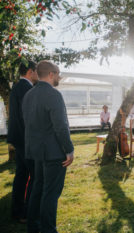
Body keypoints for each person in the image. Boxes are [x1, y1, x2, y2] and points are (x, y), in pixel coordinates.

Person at [22, 60, 74, 233]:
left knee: (37, 189)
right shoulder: (53, 94)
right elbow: (60, 126)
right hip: (53, 152)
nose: (59, 77)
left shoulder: (28, 94)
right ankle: (48, 230)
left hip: (35, 151)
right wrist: (69, 150)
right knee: (50, 193)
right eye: (58, 73)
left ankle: (33, 227)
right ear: (51, 74)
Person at [7, 60, 38, 223]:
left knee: (21, 175)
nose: (38, 74)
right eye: (36, 71)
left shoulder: (17, 87)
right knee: (34, 176)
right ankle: (27, 212)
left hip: (17, 138)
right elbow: (28, 118)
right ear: (30, 71)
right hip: (26, 140)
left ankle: (17, 211)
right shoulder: (27, 89)